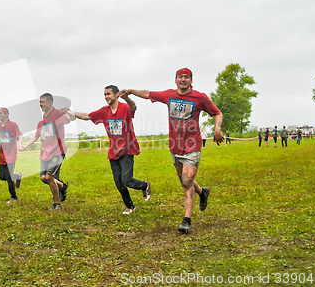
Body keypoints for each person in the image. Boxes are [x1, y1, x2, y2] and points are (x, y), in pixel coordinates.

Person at [122, 68, 223, 234]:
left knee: (186, 181)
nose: (183, 79)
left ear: (191, 80)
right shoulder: (169, 95)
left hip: (192, 145)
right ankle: (202, 192)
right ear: (175, 80)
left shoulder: (200, 97)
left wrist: (217, 129)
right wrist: (131, 91)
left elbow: (217, 112)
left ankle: (186, 221)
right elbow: (148, 94)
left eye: (186, 77)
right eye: (180, 77)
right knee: (184, 180)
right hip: (175, 146)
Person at [64, 85, 151, 215]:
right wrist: (72, 113)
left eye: (108, 94)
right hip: (114, 152)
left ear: (116, 95)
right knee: (119, 183)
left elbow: (134, 107)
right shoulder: (105, 111)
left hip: (127, 150)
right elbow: (87, 116)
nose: (106, 97)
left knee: (127, 180)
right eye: (104, 94)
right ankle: (130, 207)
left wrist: (127, 98)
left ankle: (145, 186)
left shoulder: (125, 108)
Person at [19, 93, 69, 211]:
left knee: (50, 177)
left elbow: (70, 118)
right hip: (45, 154)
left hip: (58, 152)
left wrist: (69, 113)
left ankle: (57, 204)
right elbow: (35, 137)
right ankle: (62, 186)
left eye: (43, 102)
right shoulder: (41, 123)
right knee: (43, 178)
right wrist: (25, 145)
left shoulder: (58, 116)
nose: (41, 104)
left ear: (50, 102)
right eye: (40, 102)